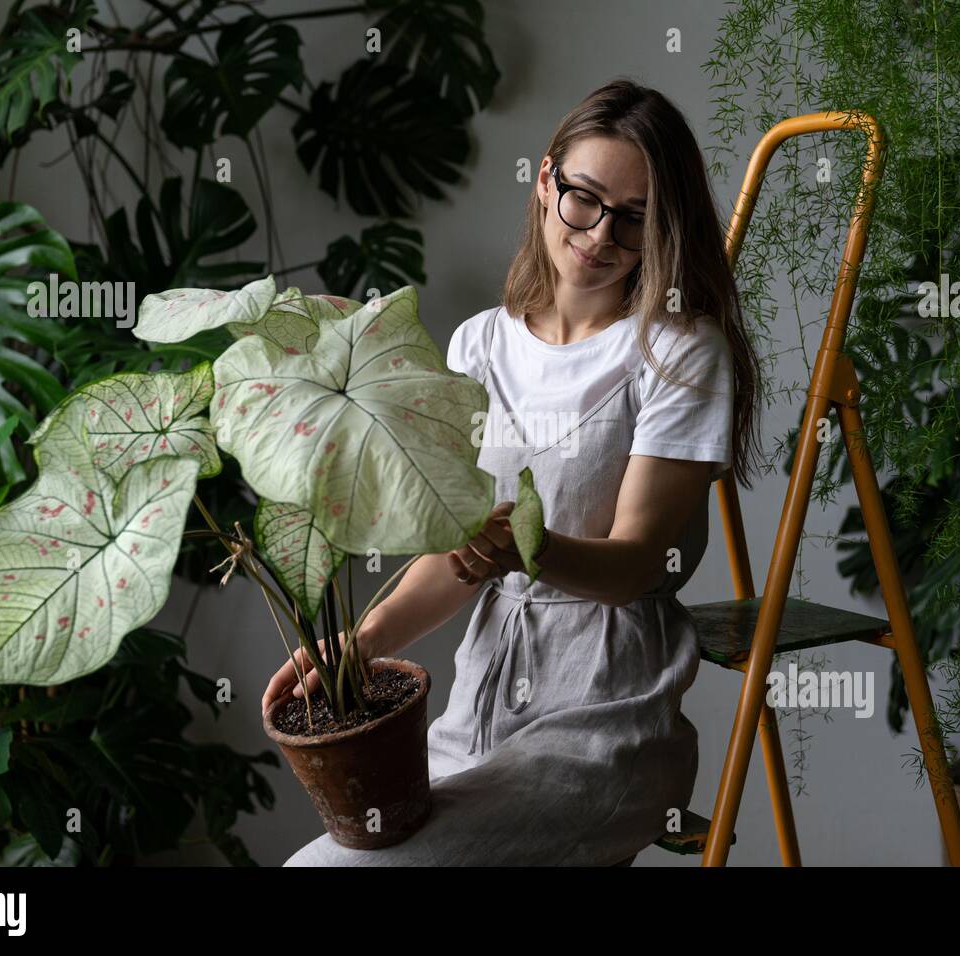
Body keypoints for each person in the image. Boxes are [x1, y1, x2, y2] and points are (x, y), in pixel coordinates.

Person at [264, 77, 762, 866]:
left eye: (635, 217)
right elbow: (458, 560)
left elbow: (637, 564)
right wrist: (354, 649)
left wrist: (525, 549)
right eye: (585, 200)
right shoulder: (478, 348)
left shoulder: (677, 351)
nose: (601, 235)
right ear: (545, 185)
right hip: (477, 705)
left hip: (606, 715)